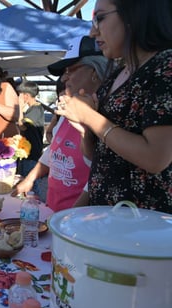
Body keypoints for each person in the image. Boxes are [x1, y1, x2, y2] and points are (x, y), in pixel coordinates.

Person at [57, 0, 172, 213]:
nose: (93, 32)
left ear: (134, 15)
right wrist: (85, 128)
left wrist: (91, 117)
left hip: (144, 226)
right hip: (106, 219)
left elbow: (156, 158)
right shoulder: (117, 75)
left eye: (99, 18)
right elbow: (97, 155)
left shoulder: (165, 67)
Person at [12, 36, 109, 212]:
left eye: (71, 70)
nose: (64, 78)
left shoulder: (107, 117)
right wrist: (29, 179)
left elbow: (100, 176)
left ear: (95, 72)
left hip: (78, 221)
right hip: (54, 211)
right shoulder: (67, 112)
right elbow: (53, 150)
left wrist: (67, 220)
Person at [16, 81, 45, 178]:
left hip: (32, 153)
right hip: (29, 152)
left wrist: (20, 107)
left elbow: (22, 125)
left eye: (20, 95)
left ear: (26, 96)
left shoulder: (35, 110)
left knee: (29, 182)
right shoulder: (35, 108)